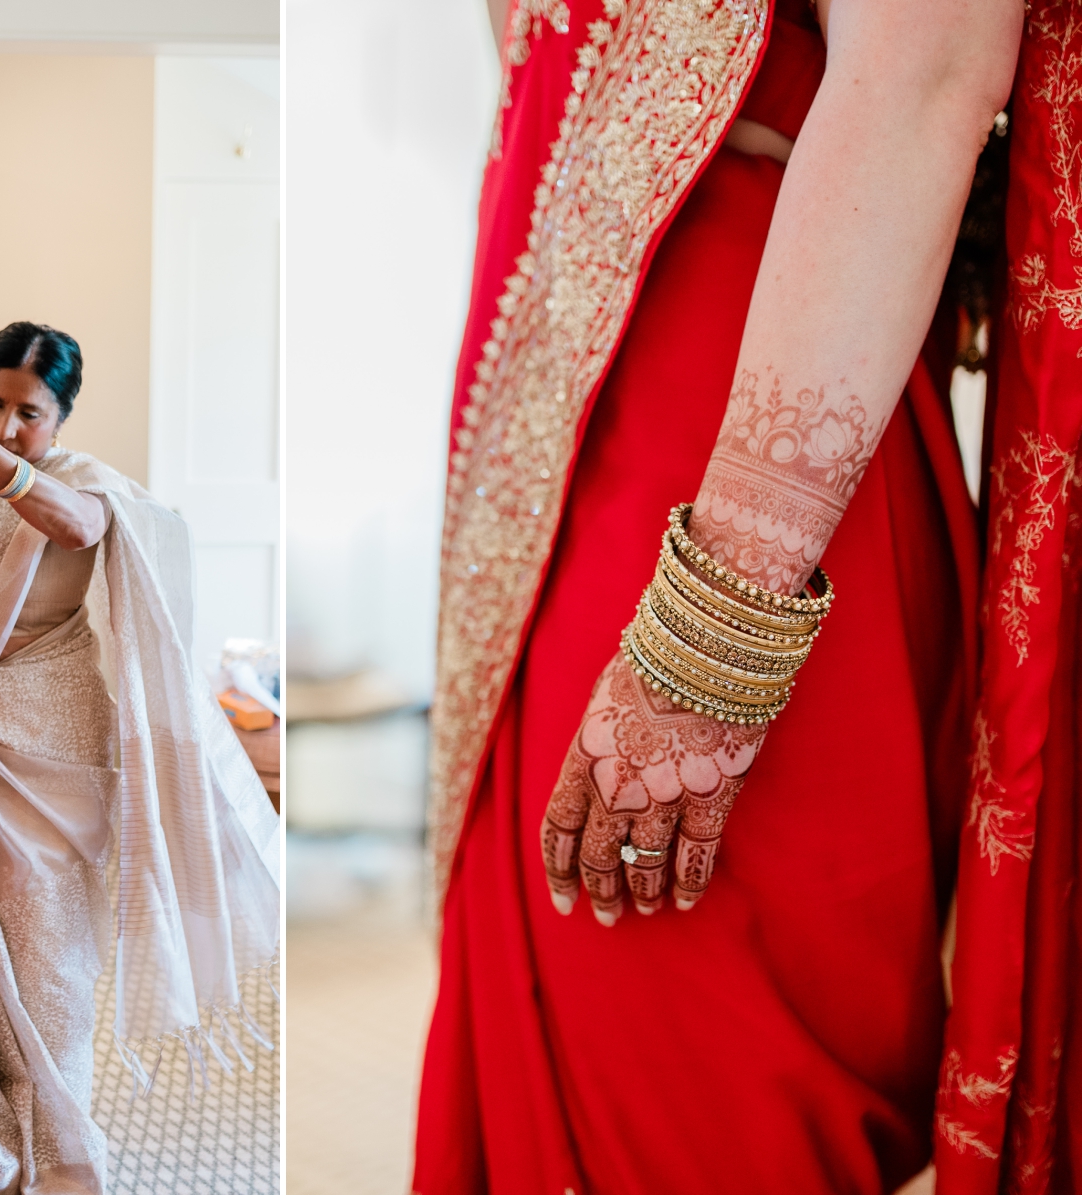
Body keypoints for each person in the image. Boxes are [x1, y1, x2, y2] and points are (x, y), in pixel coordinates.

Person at [414, 0, 1031, 1192]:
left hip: (744, 428)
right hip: (557, 417)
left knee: (693, 1070)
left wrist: (723, 614)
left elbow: (926, 71)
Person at [0, 323, 280, 1194]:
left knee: (48, 950)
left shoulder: (81, 483)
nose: (9, 423)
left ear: (60, 419)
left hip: (52, 737)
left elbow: (78, 526)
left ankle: (56, 1142)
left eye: (32, 413)